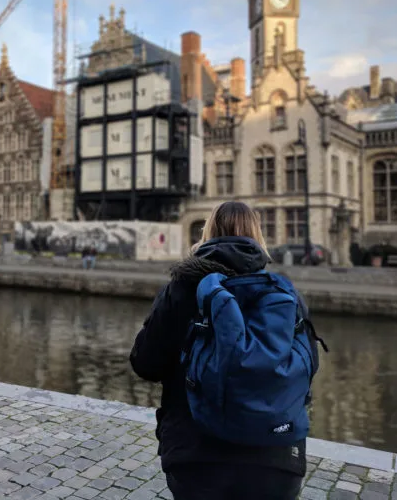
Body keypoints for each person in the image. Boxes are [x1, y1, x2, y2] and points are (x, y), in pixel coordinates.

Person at [130, 201, 321, 500]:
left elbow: (144, 363)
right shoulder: (284, 293)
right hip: (276, 459)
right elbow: (308, 369)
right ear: (258, 237)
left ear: (207, 233)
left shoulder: (182, 288)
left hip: (196, 457)